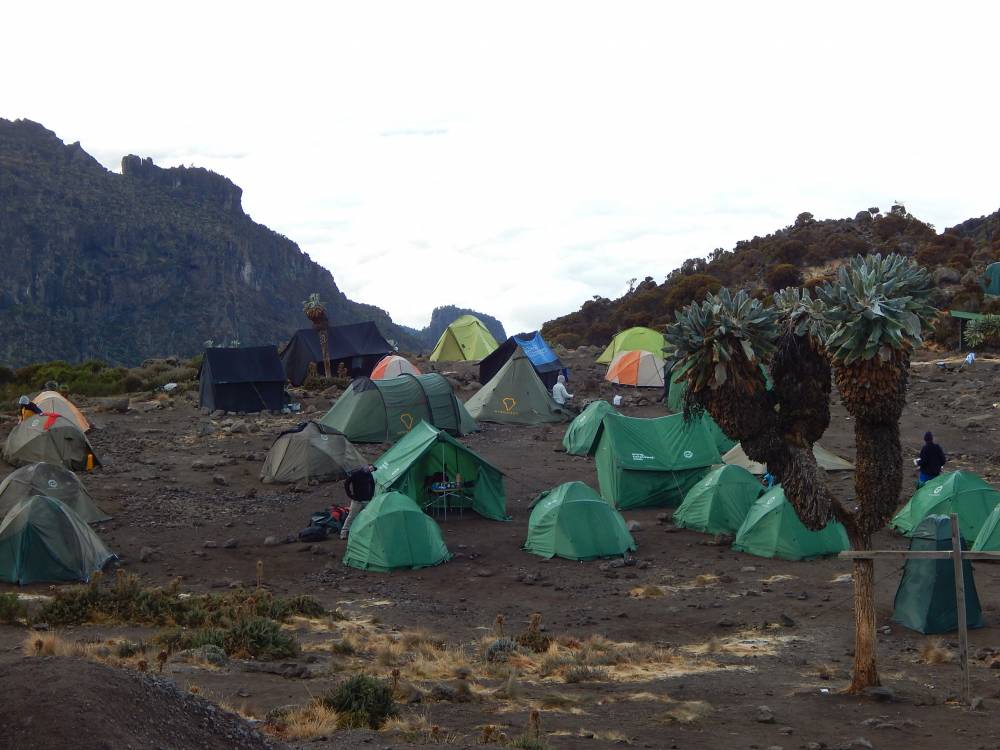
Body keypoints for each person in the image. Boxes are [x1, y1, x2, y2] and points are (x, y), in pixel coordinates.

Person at [340, 464, 376, 540]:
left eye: (371, 470)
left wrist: (371, 495)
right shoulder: (356, 474)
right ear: (365, 468)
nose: (370, 471)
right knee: (351, 516)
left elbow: (372, 484)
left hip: (367, 500)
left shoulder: (369, 474)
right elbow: (347, 483)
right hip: (357, 500)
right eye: (370, 469)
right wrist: (349, 494)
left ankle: (364, 533)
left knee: (367, 517)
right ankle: (343, 533)